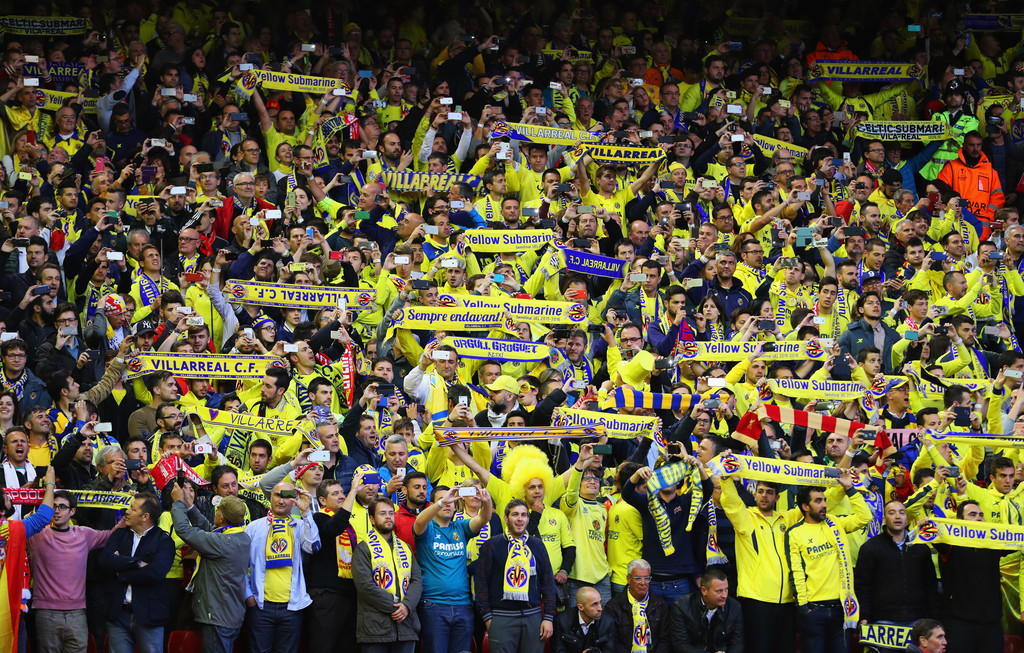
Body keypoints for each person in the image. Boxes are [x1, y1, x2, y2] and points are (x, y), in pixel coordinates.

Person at [785, 473, 871, 653]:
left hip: (842, 608)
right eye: (818, 501)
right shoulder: (794, 533)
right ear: (805, 507)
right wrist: (803, 608)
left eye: (824, 500)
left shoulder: (835, 522)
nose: (824, 504)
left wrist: (849, 489)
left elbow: (865, 517)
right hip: (814, 611)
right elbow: (796, 572)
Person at [28, 489, 114, 653]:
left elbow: (112, 535)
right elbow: (11, 526)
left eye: (62, 507)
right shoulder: (36, 535)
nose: (57, 511)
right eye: (53, 506)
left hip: (77, 614)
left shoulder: (84, 534)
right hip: (46, 613)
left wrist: (130, 506)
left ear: (72, 511)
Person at [169, 482, 251, 653]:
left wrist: (177, 503)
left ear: (221, 517)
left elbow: (184, 530)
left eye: (218, 509)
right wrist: (189, 506)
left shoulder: (221, 543)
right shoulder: (241, 537)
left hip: (218, 618)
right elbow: (209, 529)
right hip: (229, 615)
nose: (216, 511)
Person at [412, 484, 493, 653]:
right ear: (432, 505)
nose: (447, 503)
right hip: (433, 606)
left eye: (451, 500)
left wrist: (486, 502)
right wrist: (442, 502)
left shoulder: (460, 527)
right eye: (442, 500)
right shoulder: (426, 528)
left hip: (463, 605)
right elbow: (419, 521)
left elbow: (483, 518)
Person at [243, 479, 320, 653]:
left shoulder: (300, 526)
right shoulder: (254, 528)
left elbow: (313, 547)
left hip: (292, 607)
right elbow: (239, 566)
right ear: (271, 496)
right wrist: (249, 596)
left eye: (287, 496)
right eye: (278, 495)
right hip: (261, 606)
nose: (281, 500)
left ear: (294, 500)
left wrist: (306, 511)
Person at [475, 498, 557, 653]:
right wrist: (488, 618)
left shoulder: (537, 545)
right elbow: (481, 584)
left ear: (528, 519)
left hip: (533, 617)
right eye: (515, 514)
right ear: (506, 518)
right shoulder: (492, 545)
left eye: (524, 515)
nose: (520, 519)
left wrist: (548, 617)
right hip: (501, 617)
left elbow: (547, 582)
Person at [97, 493, 176, 653]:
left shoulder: (164, 541)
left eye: (132, 509)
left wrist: (122, 573)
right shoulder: (119, 534)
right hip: (118, 614)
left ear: (145, 516)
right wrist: (137, 562)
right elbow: (105, 560)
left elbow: (156, 572)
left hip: (149, 615)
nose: (126, 511)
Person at [352, 497, 422, 653]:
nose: (388, 517)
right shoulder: (363, 548)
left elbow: (416, 580)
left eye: (391, 513)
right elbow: (364, 585)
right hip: (375, 628)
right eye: (382, 513)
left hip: (406, 626)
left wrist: (407, 606)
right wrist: (397, 607)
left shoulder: (405, 547)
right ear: (372, 519)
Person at [854, 501, 939, 627]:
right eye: (892, 513)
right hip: (882, 620)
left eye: (902, 513)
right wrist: (864, 616)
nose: (898, 516)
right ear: (884, 519)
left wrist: (933, 617)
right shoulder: (870, 548)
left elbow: (930, 585)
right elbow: (862, 586)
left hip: (918, 619)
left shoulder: (920, 547)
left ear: (907, 518)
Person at [665, 567, 743, 653]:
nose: (724, 595)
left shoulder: (734, 607)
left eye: (726, 589)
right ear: (704, 590)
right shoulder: (681, 607)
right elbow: (681, 645)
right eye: (719, 591)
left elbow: (737, 643)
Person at [604, 559, 670, 653]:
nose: (643, 583)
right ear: (628, 579)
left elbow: (665, 640)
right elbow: (612, 641)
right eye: (638, 578)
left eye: (646, 578)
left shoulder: (660, 604)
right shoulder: (613, 606)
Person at [551, 586, 616, 653]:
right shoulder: (561, 620)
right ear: (580, 607)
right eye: (594, 604)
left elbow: (609, 650)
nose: (600, 608)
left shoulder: (608, 621)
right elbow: (558, 650)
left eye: (600, 602)